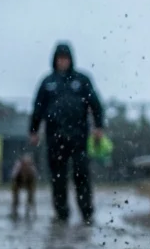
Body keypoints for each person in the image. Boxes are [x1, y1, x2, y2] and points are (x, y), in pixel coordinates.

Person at [29, 43, 105, 224]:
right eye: (59, 58)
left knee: (82, 174)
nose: (62, 62)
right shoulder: (47, 83)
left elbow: (95, 104)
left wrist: (98, 127)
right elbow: (38, 108)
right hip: (55, 136)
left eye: (65, 58)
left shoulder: (82, 80)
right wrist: (33, 130)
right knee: (58, 177)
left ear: (71, 60)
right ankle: (61, 213)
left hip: (79, 136)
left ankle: (87, 213)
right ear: (55, 60)